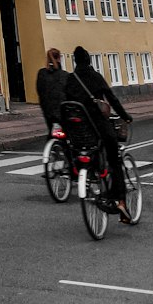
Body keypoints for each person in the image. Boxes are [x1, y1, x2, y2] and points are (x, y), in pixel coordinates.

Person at [63, 45, 132, 222]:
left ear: (75, 62)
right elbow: (112, 99)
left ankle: (87, 173)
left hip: (78, 132)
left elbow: (66, 103)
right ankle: (120, 201)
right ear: (89, 60)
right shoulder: (95, 77)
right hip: (98, 127)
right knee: (114, 160)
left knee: (84, 152)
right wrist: (125, 116)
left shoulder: (71, 79)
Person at [35, 48, 68, 133]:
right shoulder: (64, 75)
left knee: (52, 132)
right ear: (59, 58)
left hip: (47, 110)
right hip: (61, 111)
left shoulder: (41, 73)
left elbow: (39, 90)